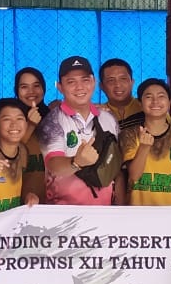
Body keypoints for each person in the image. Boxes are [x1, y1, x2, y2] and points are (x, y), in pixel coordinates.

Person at [37, 56, 120, 205]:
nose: (80, 87)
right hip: (64, 212)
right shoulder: (52, 121)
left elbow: (116, 165)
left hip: (105, 211)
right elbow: (54, 165)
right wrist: (76, 162)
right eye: (71, 82)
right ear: (60, 87)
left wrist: (120, 205)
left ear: (94, 82)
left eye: (85, 80)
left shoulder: (108, 118)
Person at [121, 79, 171, 206]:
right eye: (148, 97)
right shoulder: (129, 135)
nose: (155, 101)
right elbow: (134, 176)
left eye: (161, 96)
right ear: (140, 103)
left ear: (169, 103)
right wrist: (144, 148)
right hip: (138, 212)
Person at [14, 67, 49, 203]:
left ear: (43, 88)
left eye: (36, 86)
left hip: (55, 200)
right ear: (16, 91)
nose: (31, 92)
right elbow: (9, 151)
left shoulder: (54, 117)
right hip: (23, 201)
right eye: (24, 87)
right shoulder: (11, 118)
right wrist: (31, 125)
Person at [98, 58, 144, 131]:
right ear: (101, 86)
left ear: (132, 82)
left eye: (123, 79)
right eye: (111, 80)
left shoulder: (146, 108)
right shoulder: (98, 114)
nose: (118, 85)